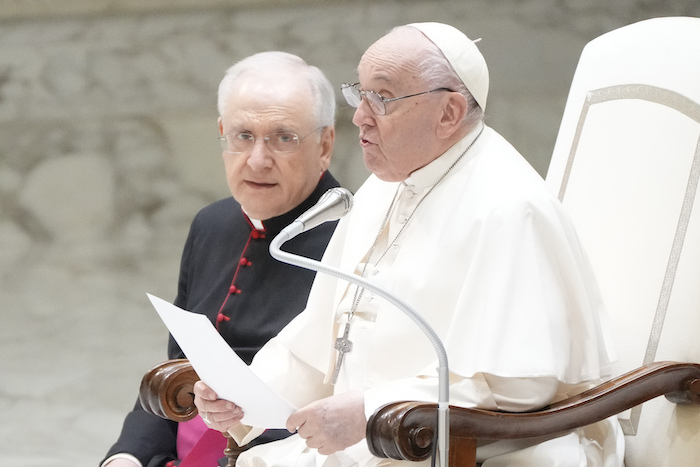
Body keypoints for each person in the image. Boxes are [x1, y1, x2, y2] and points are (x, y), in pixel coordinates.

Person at [193, 22, 625, 466]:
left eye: (381, 98)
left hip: (462, 449)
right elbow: (323, 334)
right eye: (358, 93)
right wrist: (244, 395)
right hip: (375, 442)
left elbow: (517, 386)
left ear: (449, 113)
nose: (360, 115)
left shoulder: (510, 208)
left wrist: (368, 409)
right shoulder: (385, 188)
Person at [101, 51, 341, 467]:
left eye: (283, 137)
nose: (258, 159)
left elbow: (348, 401)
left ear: (325, 144)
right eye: (242, 135)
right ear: (221, 133)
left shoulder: (354, 239)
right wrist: (128, 454)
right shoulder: (212, 224)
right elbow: (176, 370)